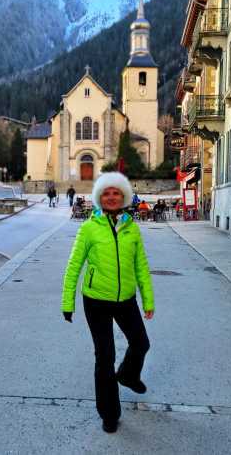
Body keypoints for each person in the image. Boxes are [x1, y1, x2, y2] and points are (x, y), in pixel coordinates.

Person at [61, 172, 154, 434]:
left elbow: (141, 267)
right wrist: (67, 302)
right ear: (99, 198)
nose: (111, 197)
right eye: (106, 193)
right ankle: (109, 413)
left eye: (116, 193)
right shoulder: (89, 228)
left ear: (123, 196)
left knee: (141, 343)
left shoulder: (132, 228)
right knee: (105, 357)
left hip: (126, 299)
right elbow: (74, 266)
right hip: (96, 301)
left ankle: (128, 375)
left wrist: (148, 299)